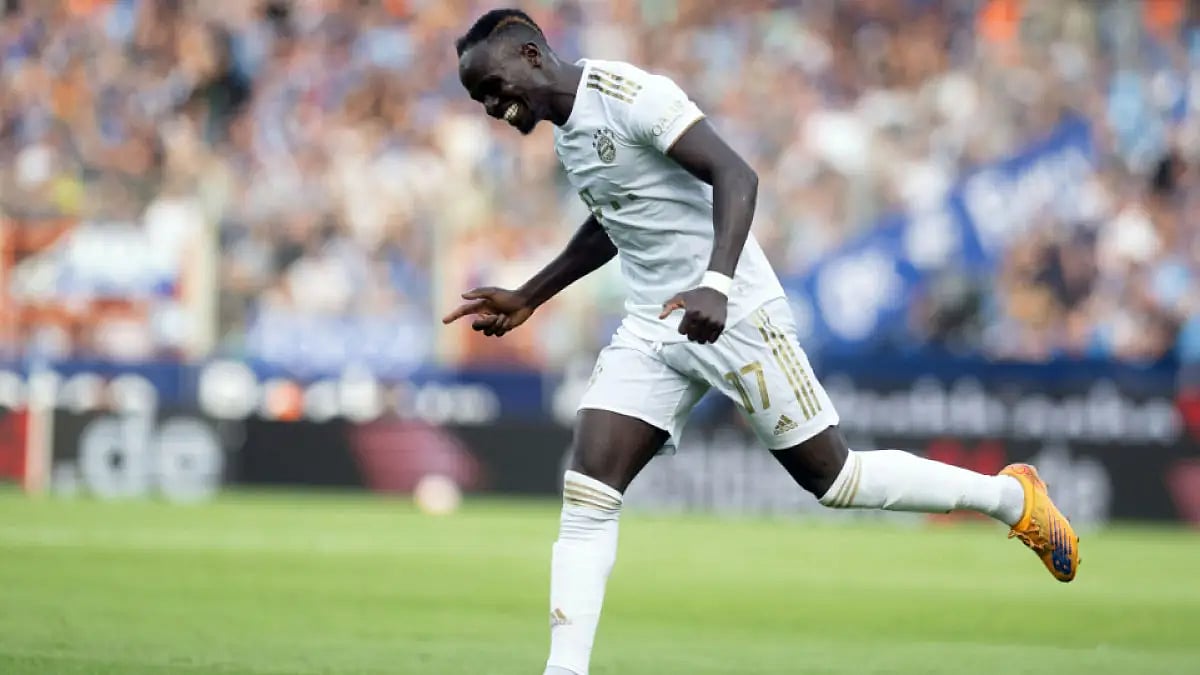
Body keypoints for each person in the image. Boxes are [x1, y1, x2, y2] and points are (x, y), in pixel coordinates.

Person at [442, 9, 1079, 675]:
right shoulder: (571, 137)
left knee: (836, 479)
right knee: (590, 485)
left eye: (491, 86)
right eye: (478, 98)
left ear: (530, 55)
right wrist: (530, 295)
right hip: (654, 322)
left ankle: (1010, 498)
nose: (490, 106)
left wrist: (716, 283)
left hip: (734, 309)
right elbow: (613, 221)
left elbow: (736, 174)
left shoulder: (630, 95)